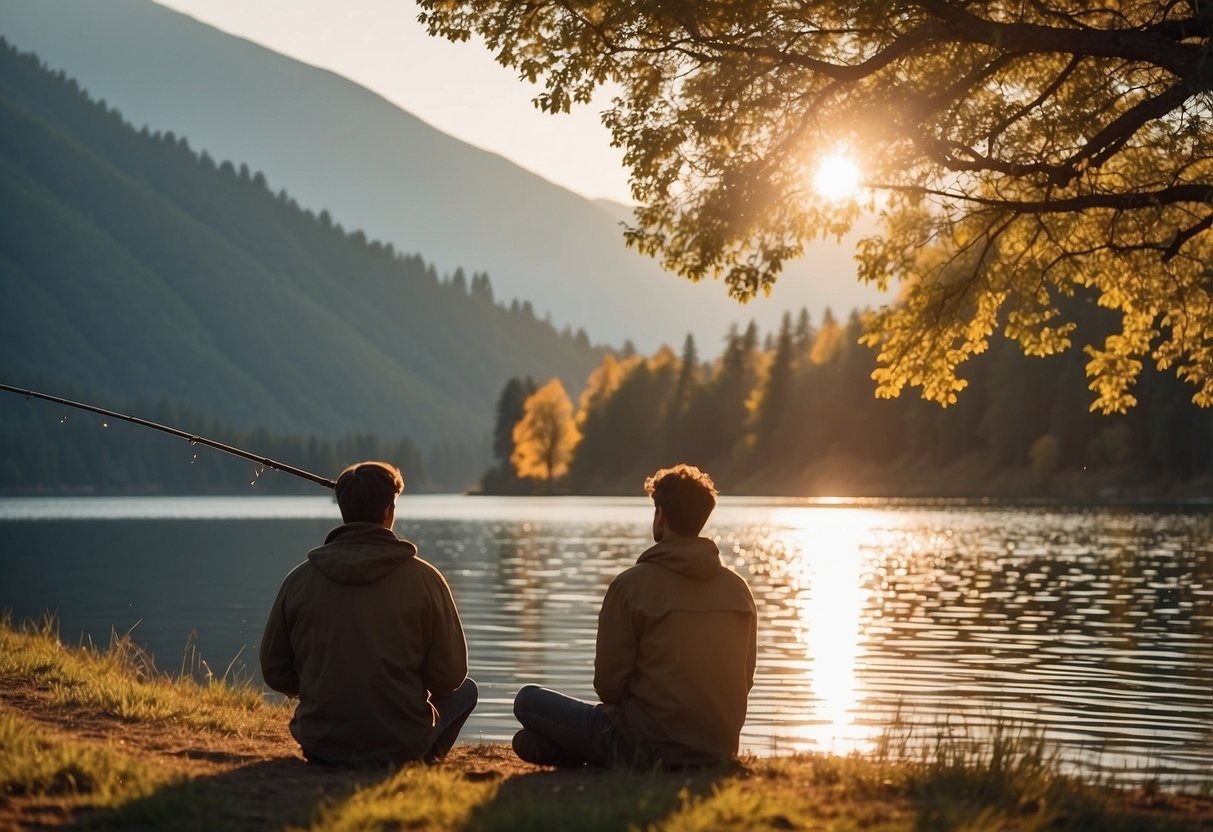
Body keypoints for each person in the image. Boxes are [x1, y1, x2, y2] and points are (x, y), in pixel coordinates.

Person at [512, 463, 757, 768]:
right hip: (716, 747)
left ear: (661, 516)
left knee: (528, 702)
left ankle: (620, 759)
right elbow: (744, 679)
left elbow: (608, 686)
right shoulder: (738, 589)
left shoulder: (631, 585)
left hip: (643, 743)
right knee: (529, 742)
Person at [260, 460, 476, 765]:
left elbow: (274, 670)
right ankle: (422, 760)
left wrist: (319, 683)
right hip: (400, 743)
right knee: (467, 691)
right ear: (389, 512)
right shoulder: (426, 580)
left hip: (321, 744)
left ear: (344, 511)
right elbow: (450, 676)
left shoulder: (299, 580)